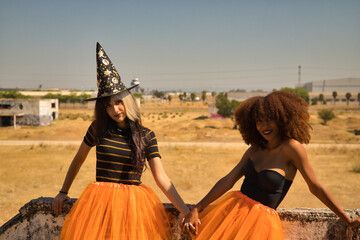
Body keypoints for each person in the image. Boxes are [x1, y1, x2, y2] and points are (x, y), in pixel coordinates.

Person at [52, 42, 189, 240]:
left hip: (134, 208)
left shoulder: (147, 135)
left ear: (128, 101)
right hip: (100, 206)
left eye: (118, 102)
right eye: (108, 106)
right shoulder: (98, 129)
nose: (115, 110)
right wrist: (63, 191)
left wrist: (185, 210)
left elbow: (162, 178)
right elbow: (79, 159)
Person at [182, 90, 360, 239]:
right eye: (259, 121)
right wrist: (197, 207)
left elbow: (315, 187)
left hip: (261, 226)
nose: (263, 126)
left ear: (282, 118)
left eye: (269, 119)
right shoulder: (254, 149)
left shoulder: (292, 148)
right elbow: (229, 180)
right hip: (232, 214)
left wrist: (346, 218)